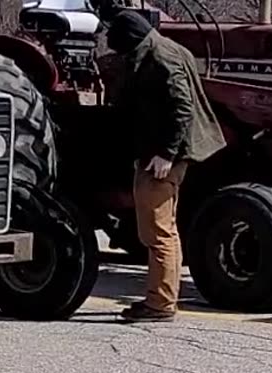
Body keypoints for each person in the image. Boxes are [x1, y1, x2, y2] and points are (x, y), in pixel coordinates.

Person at [104, 10, 226, 322]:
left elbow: (182, 108)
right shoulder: (166, 49)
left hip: (163, 159)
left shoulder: (161, 58)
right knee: (160, 230)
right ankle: (159, 300)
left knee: (159, 232)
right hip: (157, 153)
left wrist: (167, 154)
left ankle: (159, 304)